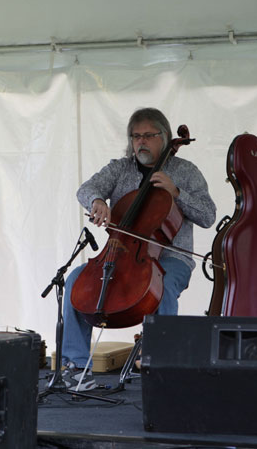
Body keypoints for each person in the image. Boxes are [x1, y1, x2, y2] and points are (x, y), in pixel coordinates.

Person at [60, 107, 216, 389]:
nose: (140, 142)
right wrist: (97, 201)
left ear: (165, 137)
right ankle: (76, 364)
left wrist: (176, 193)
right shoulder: (120, 168)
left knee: (162, 286)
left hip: (172, 258)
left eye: (148, 135)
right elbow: (86, 188)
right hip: (120, 254)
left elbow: (207, 215)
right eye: (135, 136)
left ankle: (162, 361)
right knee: (75, 281)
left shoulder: (186, 172)